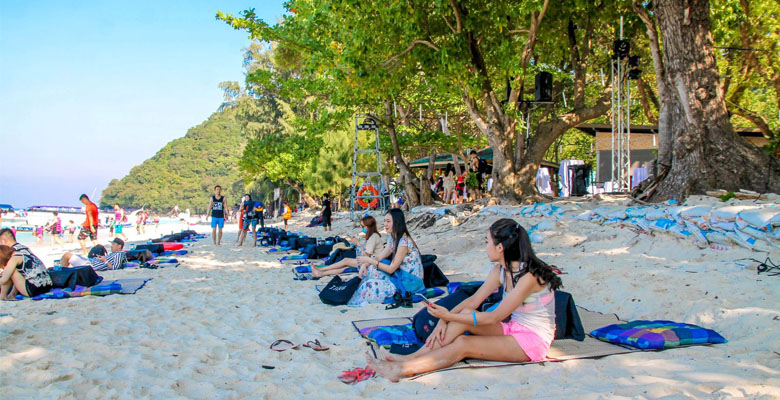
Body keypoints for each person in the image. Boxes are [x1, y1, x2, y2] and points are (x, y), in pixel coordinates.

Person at [366, 218, 562, 382]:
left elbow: (493, 317)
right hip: (514, 328)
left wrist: (451, 316)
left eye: (487, 242)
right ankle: (412, 357)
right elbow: (473, 301)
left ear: (500, 247)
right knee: (465, 314)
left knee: (463, 344)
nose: (485, 247)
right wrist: (445, 319)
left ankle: (403, 369)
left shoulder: (528, 277)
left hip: (532, 341)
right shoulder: (500, 270)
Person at [347, 208, 424, 307]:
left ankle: (356, 300)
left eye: (388, 221)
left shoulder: (404, 241)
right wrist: (365, 265)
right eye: (384, 221)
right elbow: (379, 257)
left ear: (397, 222)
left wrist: (369, 260)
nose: (385, 224)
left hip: (409, 282)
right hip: (400, 275)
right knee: (371, 269)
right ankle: (354, 295)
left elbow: (391, 269)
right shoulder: (393, 238)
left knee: (369, 286)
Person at [311, 215, 384, 278]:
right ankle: (321, 272)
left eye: (363, 226)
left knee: (345, 261)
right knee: (345, 266)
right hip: (371, 261)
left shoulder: (373, 237)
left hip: (371, 262)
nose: (362, 229)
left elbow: (367, 255)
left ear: (368, 226)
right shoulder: (373, 236)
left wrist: (357, 244)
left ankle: (321, 270)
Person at [0, 228, 53, 299]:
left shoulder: (15, 255)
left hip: (34, 290)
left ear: (3, 241)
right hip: (47, 286)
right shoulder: (24, 249)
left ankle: (2, 297)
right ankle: (12, 295)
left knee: (10, 272)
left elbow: (4, 280)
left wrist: (4, 274)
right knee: (15, 270)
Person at [60, 238, 128, 271]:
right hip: (90, 261)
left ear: (119, 246)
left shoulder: (119, 254)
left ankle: (62, 273)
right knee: (67, 256)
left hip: (90, 265)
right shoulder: (116, 254)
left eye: (113, 244)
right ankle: (63, 271)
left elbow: (115, 268)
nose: (111, 246)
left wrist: (105, 260)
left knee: (67, 255)